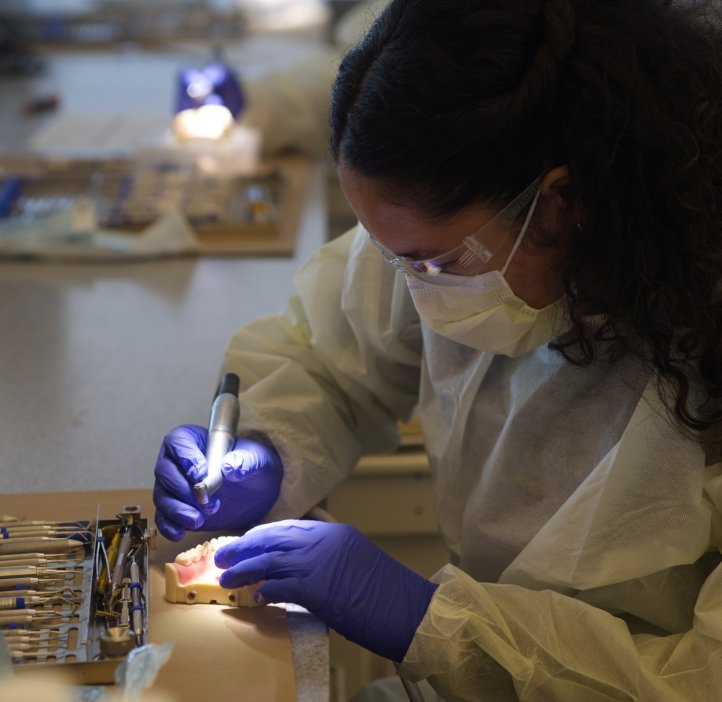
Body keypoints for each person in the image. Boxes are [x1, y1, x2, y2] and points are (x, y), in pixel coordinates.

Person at [153, 0, 722, 699]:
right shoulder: (463, 233)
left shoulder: (696, 322)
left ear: (560, 200)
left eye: (432, 263)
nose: (415, 288)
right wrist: (270, 449)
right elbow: (328, 357)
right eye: (395, 258)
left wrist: (432, 622)